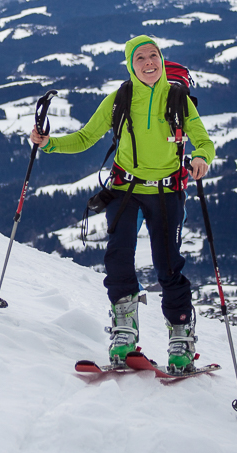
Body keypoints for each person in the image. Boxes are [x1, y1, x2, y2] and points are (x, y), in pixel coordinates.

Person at [30, 35, 214, 371]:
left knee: (169, 266)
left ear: (161, 59)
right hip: (125, 190)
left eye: (153, 56)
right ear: (131, 65)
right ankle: (124, 333)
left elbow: (203, 139)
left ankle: (181, 340)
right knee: (118, 258)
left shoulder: (178, 99)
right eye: (140, 58)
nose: (148, 63)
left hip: (165, 192)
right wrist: (50, 144)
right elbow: (86, 137)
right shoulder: (119, 99)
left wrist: (201, 157)